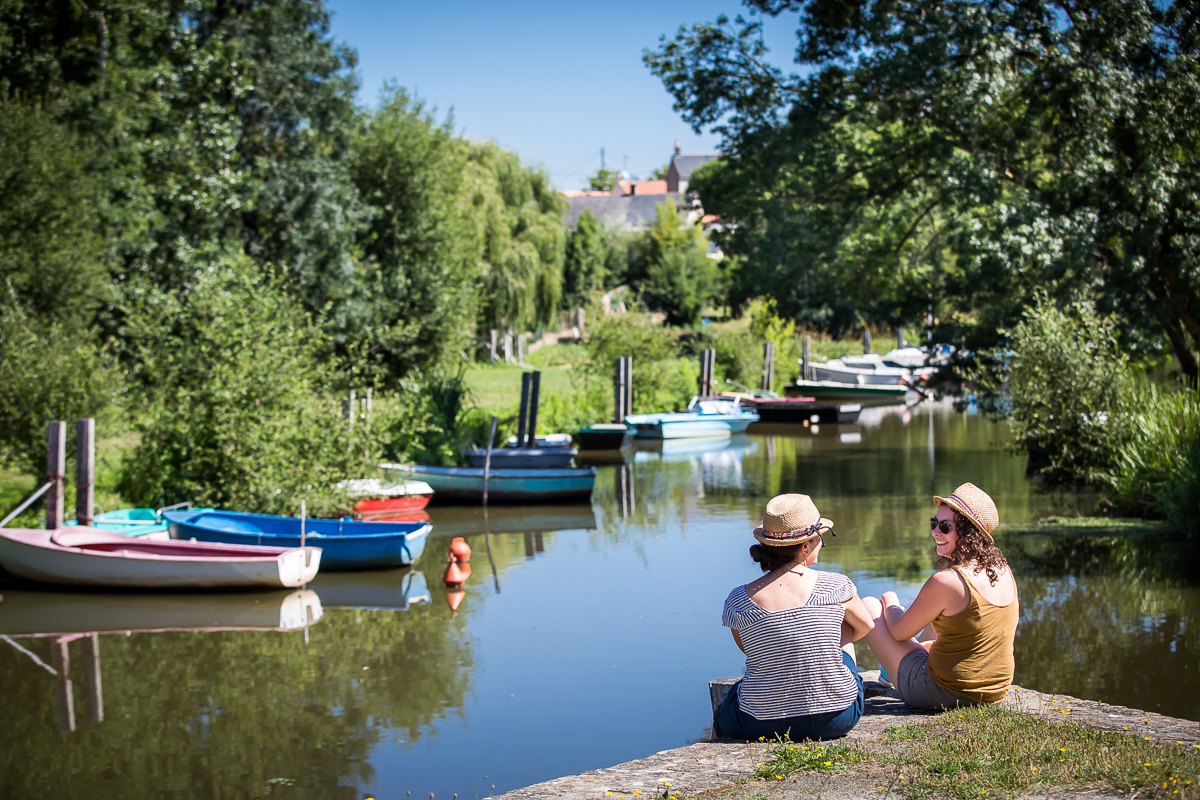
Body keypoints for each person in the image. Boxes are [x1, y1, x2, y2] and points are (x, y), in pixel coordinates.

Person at [713, 493, 874, 741]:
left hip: (758, 722)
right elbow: (866, 626)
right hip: (836, 718)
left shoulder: (739, 601)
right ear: (805, 546)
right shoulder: (835, 587)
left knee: (725, 710)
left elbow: (749, 649)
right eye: (821, 536)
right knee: (845, 623)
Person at [862, 482, 1018, 710]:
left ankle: (889, 672)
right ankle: (891, 671)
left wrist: (890, 600)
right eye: (934, 523)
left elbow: (898, 631)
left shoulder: (947, 581)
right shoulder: (1001, 568)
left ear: (969, 533)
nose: (935, 531)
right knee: (941, 617)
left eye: (945, 526)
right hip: (996, 689)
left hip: (944, 691)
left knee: (869, 607)